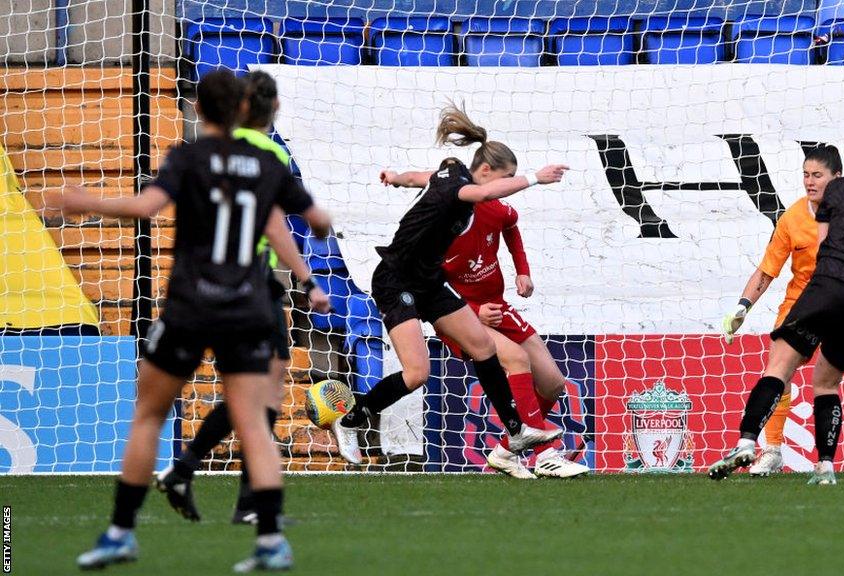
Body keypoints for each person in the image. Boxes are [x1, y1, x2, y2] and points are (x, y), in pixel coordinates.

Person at [58, 69, 332, 571]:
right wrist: (313, 242)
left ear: (199, 109)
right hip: (248, 304)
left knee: (149, 415)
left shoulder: (188, 157)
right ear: (245, 109)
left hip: (190, 305)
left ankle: (121, 532)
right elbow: (317, 221)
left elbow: (146, 207)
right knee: (254, 421)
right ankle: (270, 541)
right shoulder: (267, 163)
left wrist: (85, 201)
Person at [331, 103, 569, 463]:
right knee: (417, 373)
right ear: (485, 171)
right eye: (503, 179)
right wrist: (537, 178)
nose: (504, 187)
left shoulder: (450, 173)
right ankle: (351, 420)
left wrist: (395, 177)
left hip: (429, 282)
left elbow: (418, 177)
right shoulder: (459, 190)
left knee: (483, 347)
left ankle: (516, 431)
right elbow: (486, 194)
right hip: (396, 282)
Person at [155, 70, 332, 526]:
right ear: (274, 110)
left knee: (253, 393)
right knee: (262, 394)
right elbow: (277, 223)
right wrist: (307, 279)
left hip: (208, 281)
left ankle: (196, 472)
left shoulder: (216, 151)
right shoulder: (267, 153)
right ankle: (234, 493)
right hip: (253, 284)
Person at [709, 115, 844, 485]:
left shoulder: (841, 197)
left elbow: (829, 248)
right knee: (823, 381)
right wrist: (743, 307)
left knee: (793, 369)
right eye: (806, 174)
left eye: (817, 175)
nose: (810, 182)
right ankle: (792, 457)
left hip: (826, 293)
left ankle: (748, 441)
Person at [371, 178, 588, 479]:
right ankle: (545, 456)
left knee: (553, 383)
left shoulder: (494, 209)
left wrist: (522, 271)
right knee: (516, 360)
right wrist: (475, 312)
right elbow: (429, 288)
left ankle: (504, 451)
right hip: (463, 316)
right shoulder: (440, 232)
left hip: (498, 306)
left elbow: (511, 226)